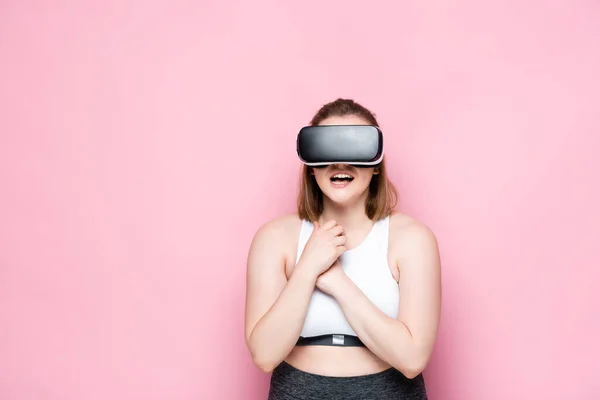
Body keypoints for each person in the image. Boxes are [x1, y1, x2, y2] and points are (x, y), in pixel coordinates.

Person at [244, 98, 442, 399]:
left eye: (354, 149)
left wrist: (337, 282)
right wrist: (308, 267)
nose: (340, 163)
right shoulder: (274, 238)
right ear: (311, 167)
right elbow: (264, 355)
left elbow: (412, 360)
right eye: (327, 151)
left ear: (375, 166)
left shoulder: (412, 239)